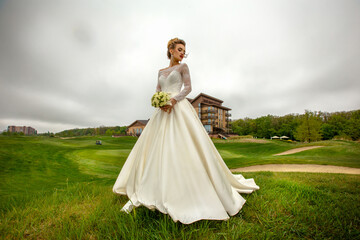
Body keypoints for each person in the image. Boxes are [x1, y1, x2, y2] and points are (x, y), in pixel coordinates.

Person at [113, 37, 260, 224]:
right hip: (162, 110)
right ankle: (154, 188)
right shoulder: (160, 71)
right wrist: (159, 102)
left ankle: (190, 189)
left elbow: (189, 87)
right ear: (171, 50)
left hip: (178, 107)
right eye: (180, 49)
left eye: (184, 50)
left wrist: (173, 101)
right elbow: (157, 90)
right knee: (156, 148)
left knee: (184, 145)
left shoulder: (183, 68)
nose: (183, 53)